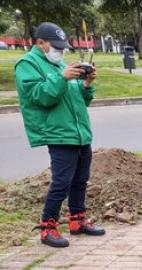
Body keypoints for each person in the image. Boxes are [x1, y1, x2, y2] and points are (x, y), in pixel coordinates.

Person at [15, 22, 105, 248]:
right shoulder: (27, 64)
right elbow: (40, 96)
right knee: (61, 183)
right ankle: (47, 228)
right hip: (58, 133)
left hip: (79, 132)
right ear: (40, 43)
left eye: (63, 48)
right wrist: (62, 78)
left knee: (80, 181)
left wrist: (86, 84)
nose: (60, 52)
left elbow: (80, 100)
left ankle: (77, 221)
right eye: (56, 47)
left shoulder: (60, 64)